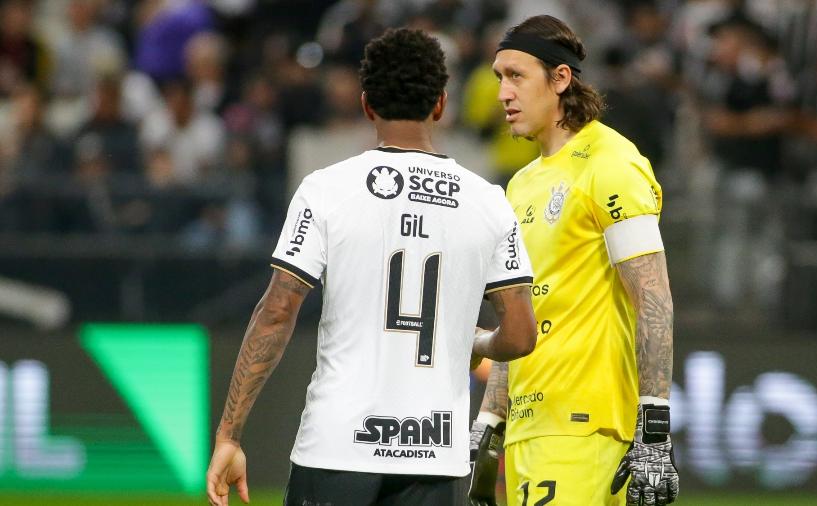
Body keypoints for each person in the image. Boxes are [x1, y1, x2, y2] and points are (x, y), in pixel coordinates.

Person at [206, 28, 538, 506]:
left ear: (366, 105)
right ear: (441, 104)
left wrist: (230, 435)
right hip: (435, 456)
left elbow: (278, 311)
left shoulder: (326, 189)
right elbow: (521, 335)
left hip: (337, 449)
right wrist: (478, 342)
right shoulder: (488, 202)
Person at [469, 15, 679, 506]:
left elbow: (653, 297)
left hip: (585, 429)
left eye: (516, 76)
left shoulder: (612, 163)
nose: (502, 93)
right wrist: (489, 425)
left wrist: (654, 429)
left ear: (561, 79)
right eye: (499, 77)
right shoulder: (521, 185)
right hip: (530, 430)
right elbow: (522, 318)